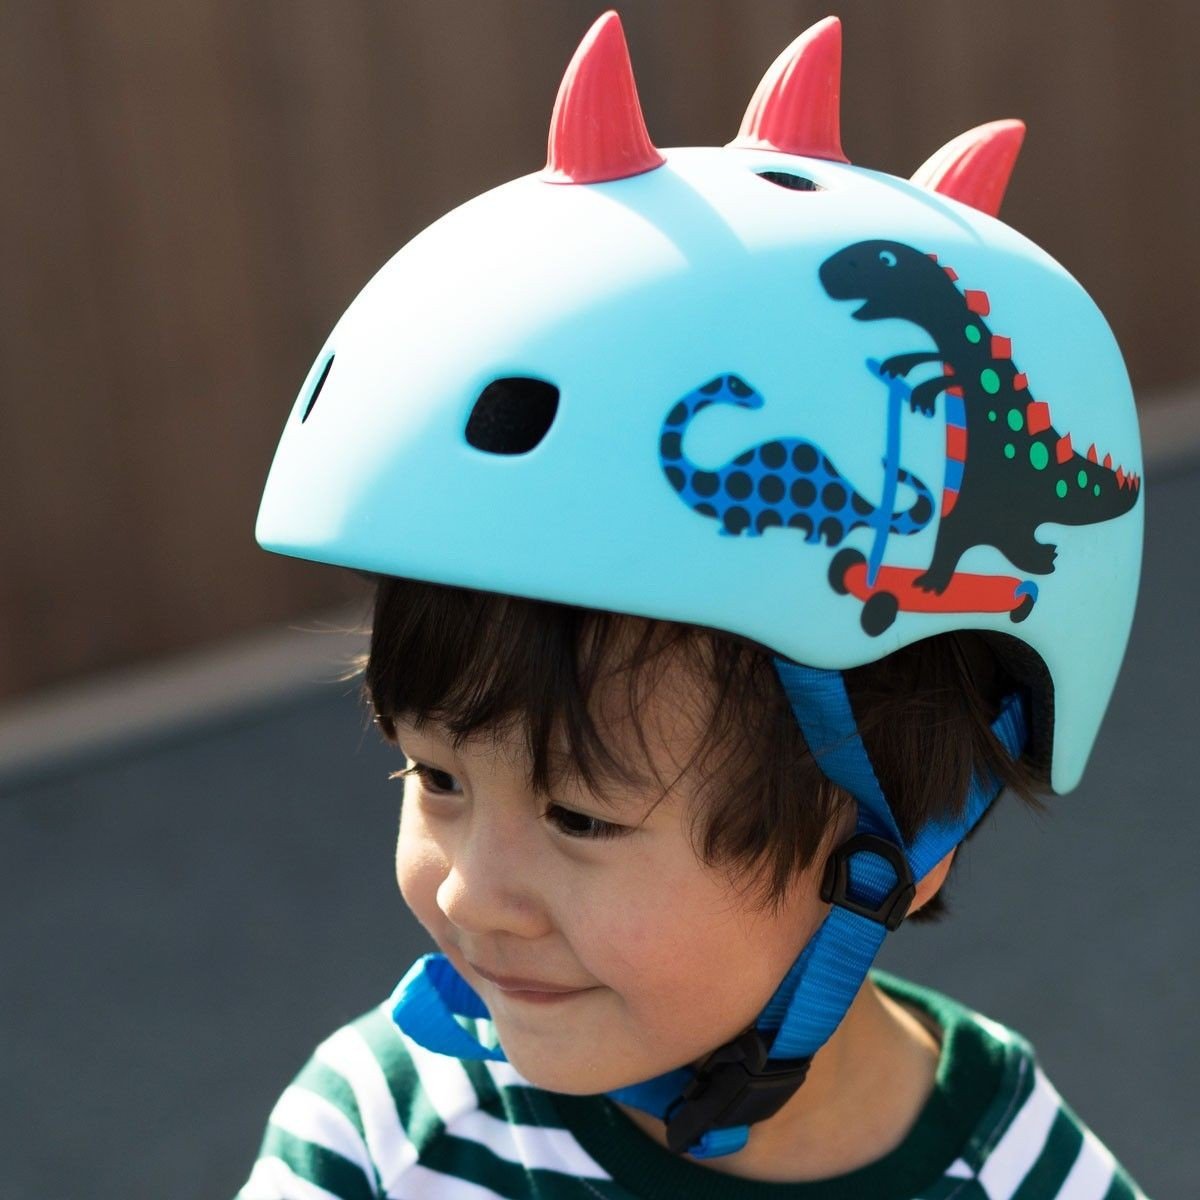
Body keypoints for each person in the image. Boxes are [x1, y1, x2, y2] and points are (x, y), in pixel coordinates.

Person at [241, 11, 1148, 1198]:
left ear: (904, 838)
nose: (469, 894)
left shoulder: (1027, 1175)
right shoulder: (385, 1131)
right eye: (438, 777)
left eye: (580, 818)